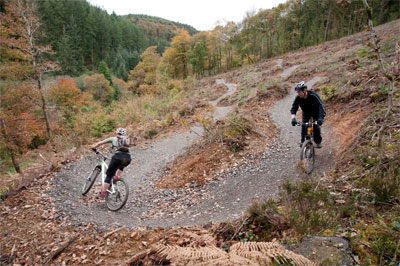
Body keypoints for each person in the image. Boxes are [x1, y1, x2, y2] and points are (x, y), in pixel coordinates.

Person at [91, 127, 131, 197]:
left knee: (109, 176)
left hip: (117, 156)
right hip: (128, 158)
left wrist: (94, 147)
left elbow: (100, 143)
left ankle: (102, 193)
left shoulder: (113, 138)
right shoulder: (127, 139)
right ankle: (116, 177)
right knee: (121, 165)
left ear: (117, 133)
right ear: (124, 134)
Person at [290, 81, 326, 148]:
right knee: (304, 126)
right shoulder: (298, 98)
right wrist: (293, 118)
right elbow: (294, 108)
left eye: (299, 92)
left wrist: (321, 118)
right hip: (306, 113)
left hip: (316, 112)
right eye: (297, 92)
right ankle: (303, 142)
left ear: (305, 90)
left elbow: (321, 106)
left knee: (316, 126)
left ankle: (318, 142)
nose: (298, 94)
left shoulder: (313, 96)